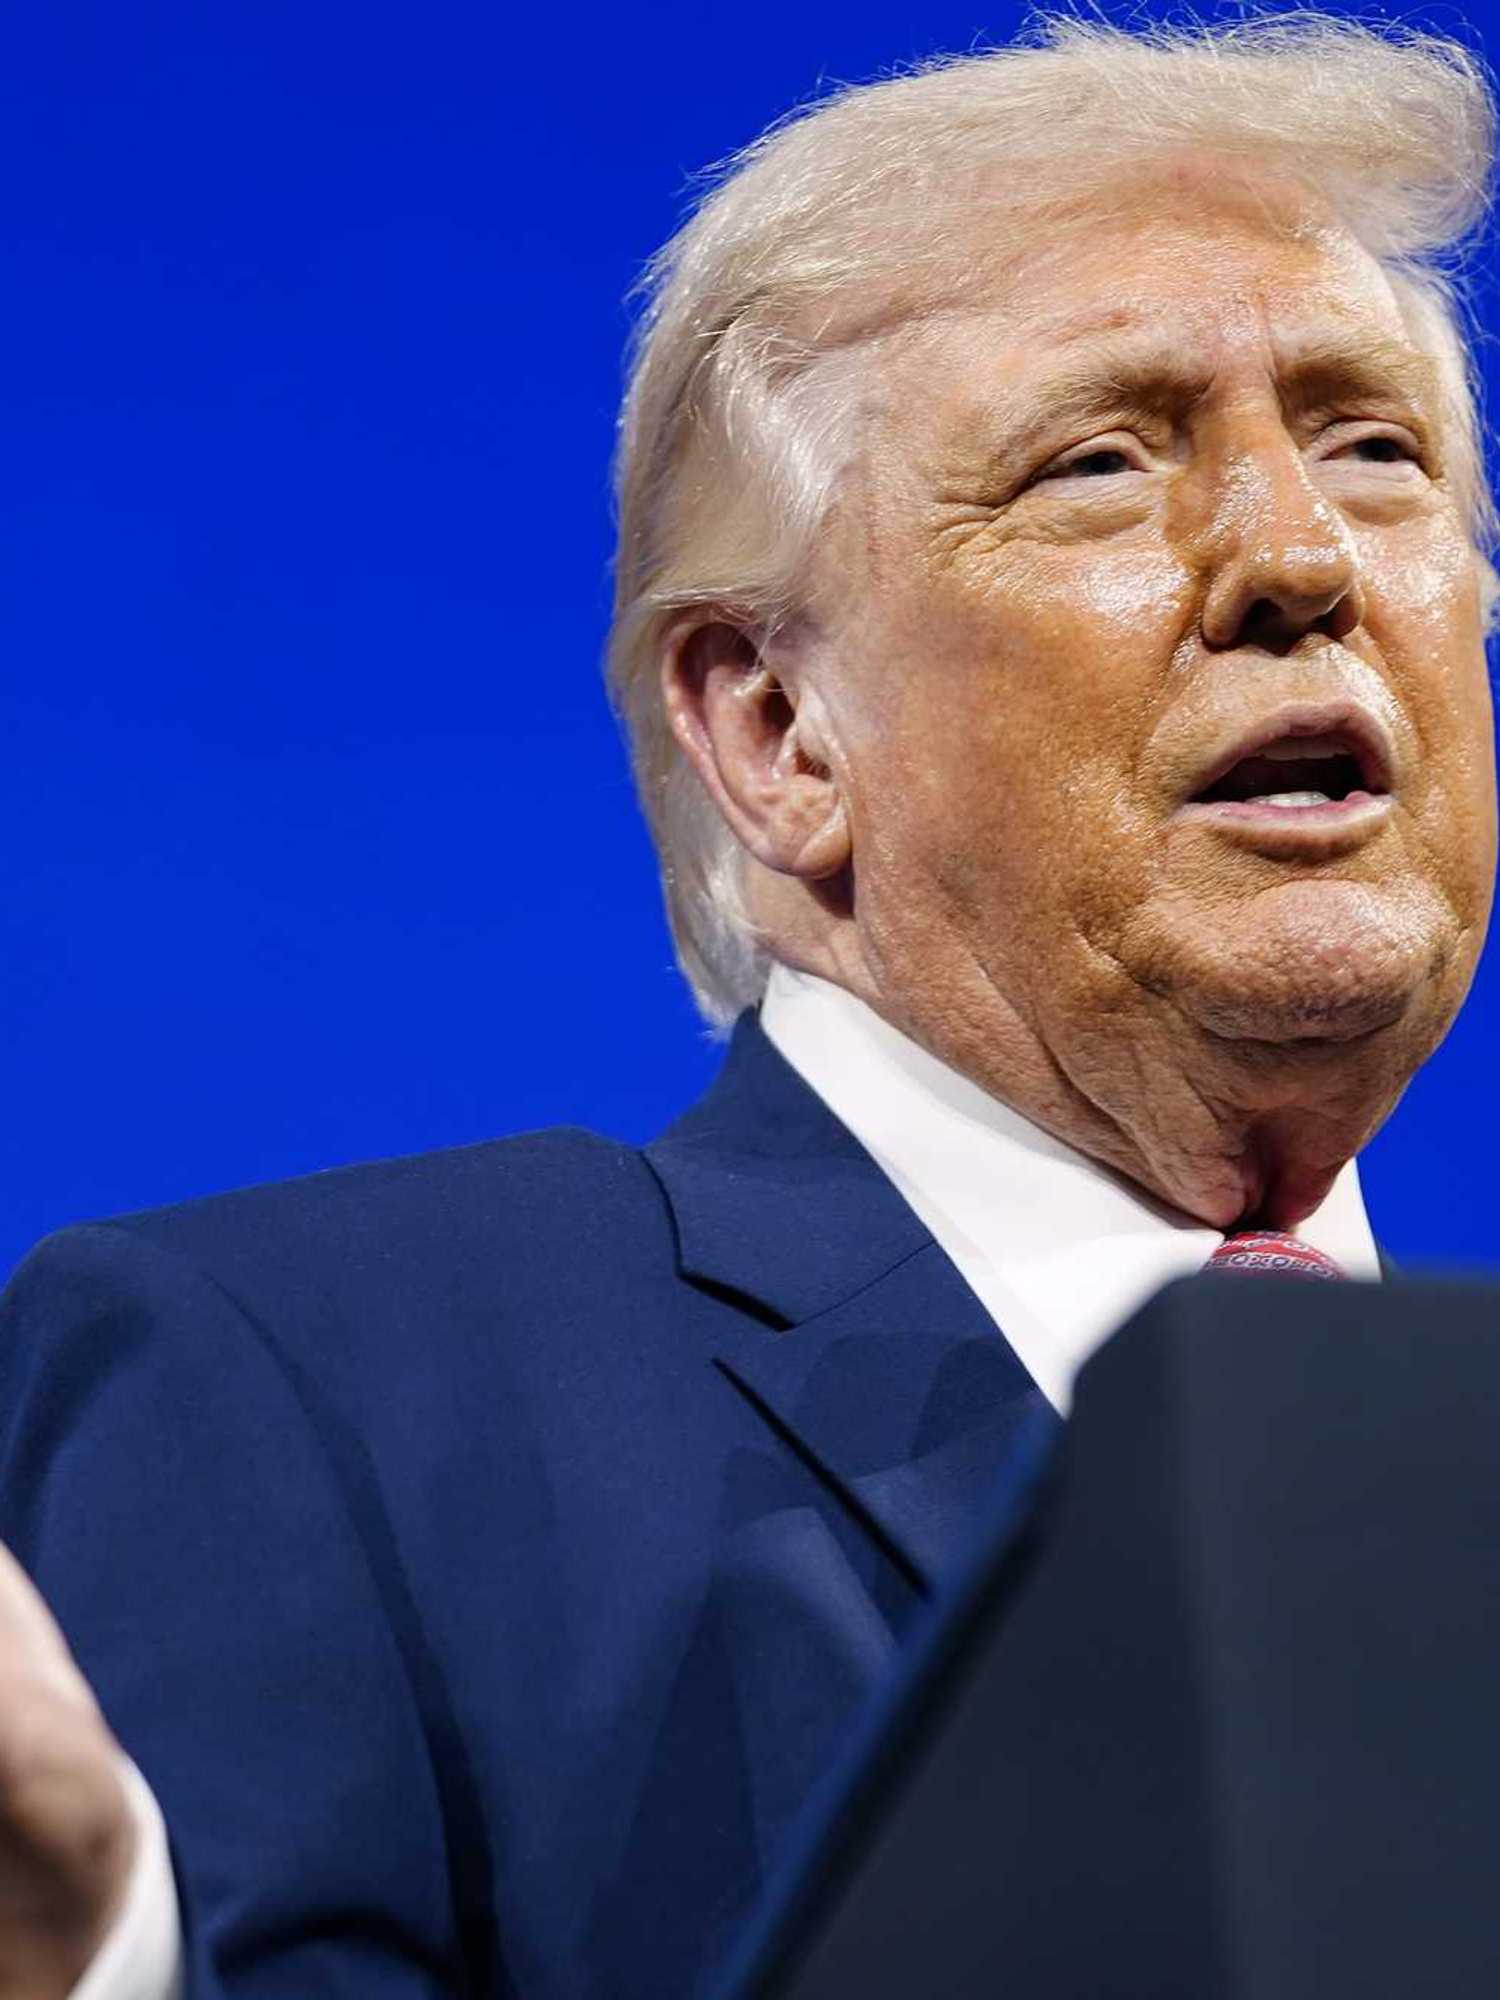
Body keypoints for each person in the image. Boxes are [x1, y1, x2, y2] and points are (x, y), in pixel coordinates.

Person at [1, 9, 1496, 1997]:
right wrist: (87, 1952)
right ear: (780, 729)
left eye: (1376, 449)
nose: (1298, 557)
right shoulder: (318, 1393)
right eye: (1102, 465)